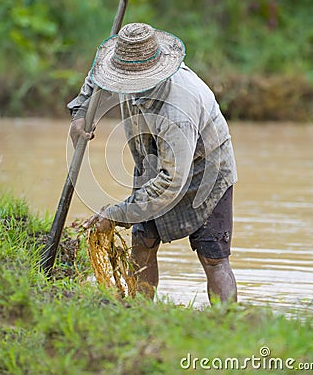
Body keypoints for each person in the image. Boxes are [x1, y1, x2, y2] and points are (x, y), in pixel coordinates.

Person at [68, 22, 238, 305]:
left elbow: (171, 182)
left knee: (213, 255)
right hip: (151, 159)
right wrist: (81, 112)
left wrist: (116, 213)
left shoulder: (178, 110)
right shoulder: (118, 70)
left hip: (206, 167)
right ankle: (140, 313)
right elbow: (96, 77)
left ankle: (230, 322)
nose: (124, 88)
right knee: (142, 243)